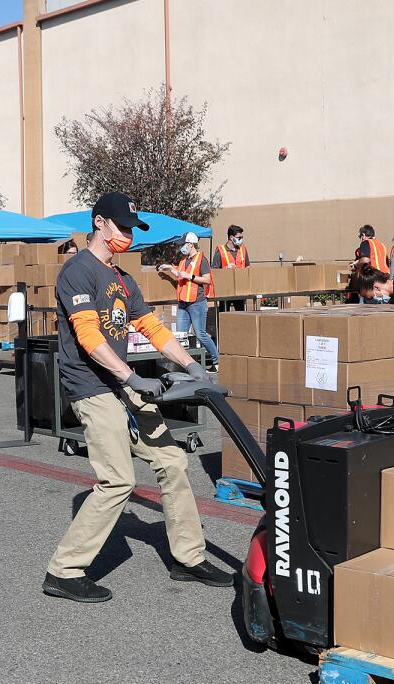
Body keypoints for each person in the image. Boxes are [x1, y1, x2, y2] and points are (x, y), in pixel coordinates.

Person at [43, 191, 232, 603]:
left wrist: (192, 366)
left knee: (172, 461)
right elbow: (89, 339)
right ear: (100, 223)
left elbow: (152, 328)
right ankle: (64, 570)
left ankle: (188, 558)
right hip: (92, 388)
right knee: (118, 480)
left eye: (132, 229)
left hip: (122, 385)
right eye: (122, 227)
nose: (128, 235)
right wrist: (132, 376)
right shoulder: (77, 272)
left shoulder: (122, 280)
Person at [158, 231, 218, 372]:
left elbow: (207, 280)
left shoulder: (201, 259)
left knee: (201, 334)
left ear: (190, 244)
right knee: (181, 336)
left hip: (197, 302)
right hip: (183, 303)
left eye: (183, 245)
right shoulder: (184, 261)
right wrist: (169, 268)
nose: (181, 248)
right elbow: (180, 274)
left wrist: (190, 276)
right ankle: (187, 366)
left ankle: (216, 361)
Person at [346, 224, 389, 302]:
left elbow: (366, 260)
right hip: (384, 281)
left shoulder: (366, 243)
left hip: (371, 281)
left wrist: (356, 264)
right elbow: (386, 263)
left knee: (366, 308)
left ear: (363, 235)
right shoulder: (382, 245)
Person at [213, 224, 249, 310]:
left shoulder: (243, 249)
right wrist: (225, 269)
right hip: (225, 290)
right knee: (224, 314)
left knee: (241, 315)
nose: (241, 240)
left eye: (242, 237)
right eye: (239, 237)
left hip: (240, 289)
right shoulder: (220, 250)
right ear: (231, 237)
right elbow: (214, 271)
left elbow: (248, 267)